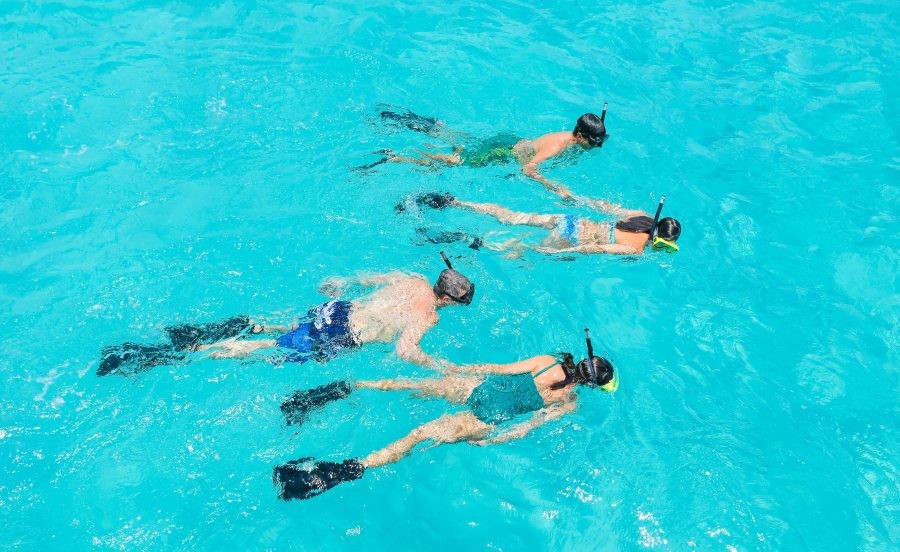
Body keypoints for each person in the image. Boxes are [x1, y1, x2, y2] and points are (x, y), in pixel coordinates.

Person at [273, 348, 618, 500]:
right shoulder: (567, 402)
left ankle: (344, 389)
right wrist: (492, 441)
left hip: (476, 389)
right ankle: (344, 470)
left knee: (409, 385)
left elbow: (499, 368)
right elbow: (526, 427)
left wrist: (460, 369)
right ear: (589, 384)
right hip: (483, 419)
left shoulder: (546, 362)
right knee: (418, 436)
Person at [96, 263, 476, 377]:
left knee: (286, 329)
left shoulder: (407, 278)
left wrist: (339, 282)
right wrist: (441, 367)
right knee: (261, 351)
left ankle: (253, 324)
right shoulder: (427, 316)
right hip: (342, 335)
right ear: (451, 301)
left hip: (337, 310)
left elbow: (359, 279)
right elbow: (406, 351)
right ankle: (185, 353)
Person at [371, 105, 609, 197]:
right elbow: (528, 169)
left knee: (462, 142)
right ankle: (397, 157)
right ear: (579, 136)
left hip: (512, 142)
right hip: (503, 152)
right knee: (455, 161)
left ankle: (433, 127)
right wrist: (557, 188)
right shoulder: (557, 146)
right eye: (594, 143)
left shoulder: (570, 139)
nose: (596, 147)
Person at [410, 193, 682, 256]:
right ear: (660, 240)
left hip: (572, 221)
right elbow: (594, 250)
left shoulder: (639, 215)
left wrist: (569, 195)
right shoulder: (636, 250)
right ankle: (468, 238)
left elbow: (601, 205)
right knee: (518, 250)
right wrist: (558, 253)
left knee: (511, 216)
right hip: (570, 238)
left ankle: (458, 202)